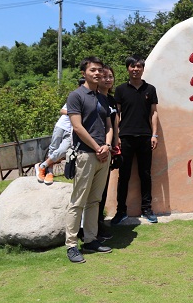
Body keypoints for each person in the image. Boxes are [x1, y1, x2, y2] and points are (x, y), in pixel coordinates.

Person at [65, 56, 113, 264]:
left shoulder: (102, 97)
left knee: (95, 201)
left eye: (100, 70)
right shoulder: (76, 96)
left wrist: (107, 146)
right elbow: (77, 127)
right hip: (85, 154)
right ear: (83, 73)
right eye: (93, 70)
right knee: (78, 201)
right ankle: (71, 245)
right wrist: (96, 147)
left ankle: (91, 239)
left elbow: (109, 126)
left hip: (103, 154)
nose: (97, 73)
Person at [111, 55, 159, 225]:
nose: (136, 69)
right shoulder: (120, 90)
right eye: (132, 66)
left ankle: (147, 209)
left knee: (145, 174)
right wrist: (116, 136)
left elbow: (154, 113)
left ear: (143, 69)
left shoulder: (150, 89)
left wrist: (154, 134)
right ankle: (121, 211)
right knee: (123, 176)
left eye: (139, 66)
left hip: (145, 137)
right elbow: (117, 114)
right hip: (125, 137)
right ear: (128, 69)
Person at [34, 78, 86, 185]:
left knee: (63, 150)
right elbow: (62, 110)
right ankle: (49, 172)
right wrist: (73, 113)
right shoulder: (75, 97)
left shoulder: (90, 99)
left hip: (72, 130)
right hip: (62, 126)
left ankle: (42, 165)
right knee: (53, 148)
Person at [96, 65, 118, 239]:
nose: (108, 79)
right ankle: (88, 228)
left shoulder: (111, 100)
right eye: (104, 76)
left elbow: (114, 124)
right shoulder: (93, 98)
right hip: (95, 148)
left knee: (102, 189)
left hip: (109, 147)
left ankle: (99, 224)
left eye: (110, 76)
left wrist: (115, 144)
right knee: (92, 192)